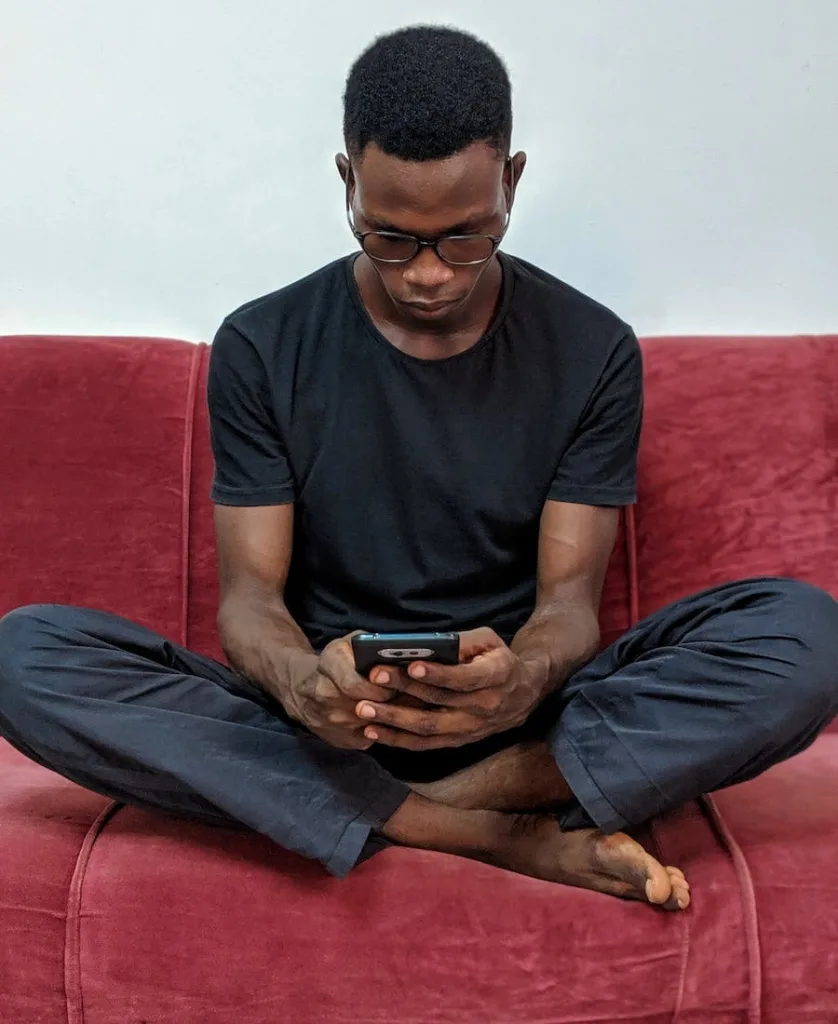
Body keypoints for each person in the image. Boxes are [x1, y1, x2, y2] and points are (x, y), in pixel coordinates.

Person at [1, 26, 837, 913]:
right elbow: (249, 598)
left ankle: (410, 811)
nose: (429, 275)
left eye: (466, 239)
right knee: (24, 653)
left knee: (804, 635)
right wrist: (303, 683)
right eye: (389, 238)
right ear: (345, 182)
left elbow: (568, 608)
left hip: (518, 722)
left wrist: (518, 682)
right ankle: (494, 834)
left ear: (511, 182)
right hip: (322, 727)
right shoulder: (263, 344)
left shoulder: (594, 351)